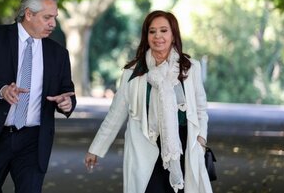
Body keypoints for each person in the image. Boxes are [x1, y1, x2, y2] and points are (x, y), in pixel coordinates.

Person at [0, 0, 76, 193]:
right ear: (29, 14)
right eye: (47, 17)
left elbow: (67, 91)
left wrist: (67, 104)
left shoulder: (59, 53)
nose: (53, 24)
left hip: (34, 140)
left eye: (54, 18)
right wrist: (2, 90)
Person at [84, 10, 213, 193]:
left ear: (173, 35)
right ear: (146, 36)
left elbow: (201, 109)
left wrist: (201, 140)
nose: (158, 36)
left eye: (163, 30)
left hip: (183, 147)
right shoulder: (133, 72)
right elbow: (115, 114)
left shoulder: (190, 68)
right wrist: (95, 148)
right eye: (152, 31)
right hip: (145, 147)